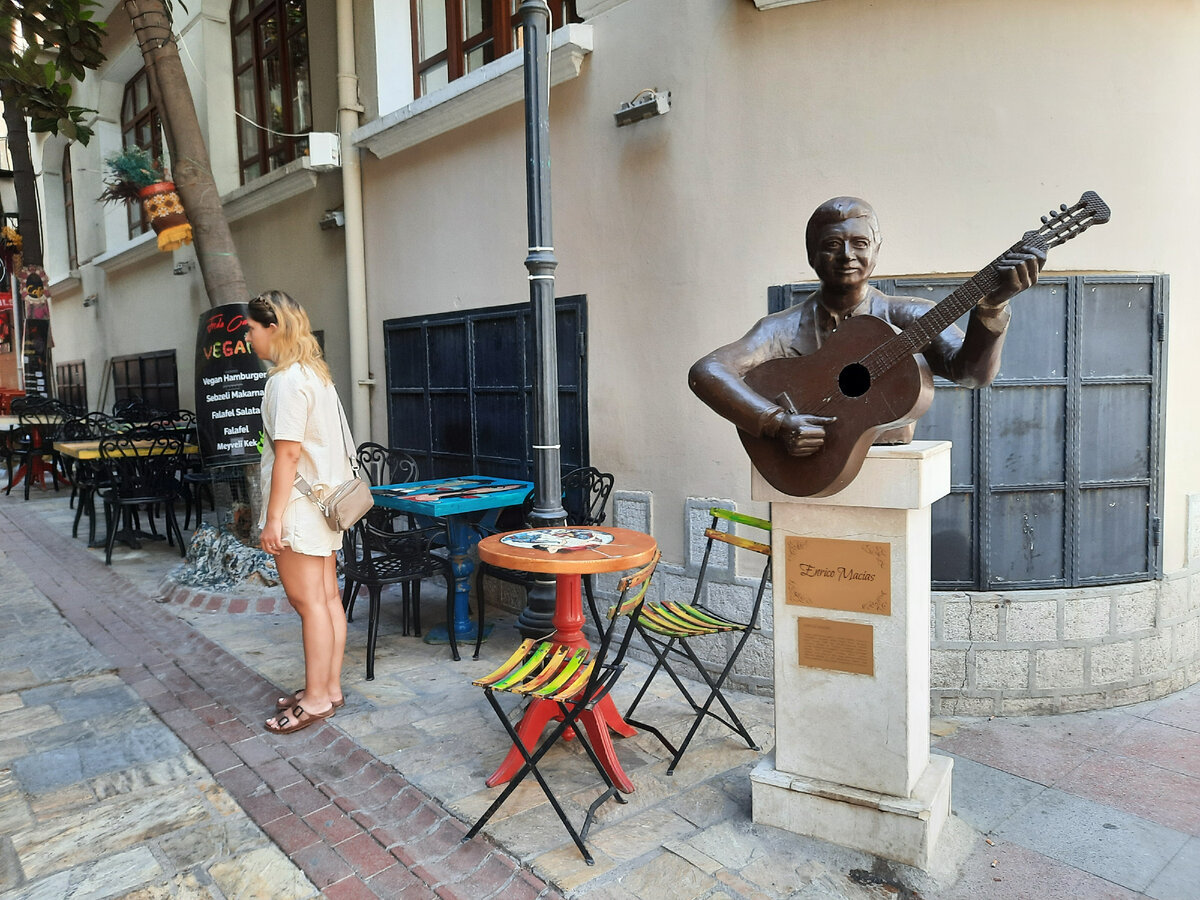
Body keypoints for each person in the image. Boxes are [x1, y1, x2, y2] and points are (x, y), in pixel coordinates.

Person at [688, 196, 1045, 457]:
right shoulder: (781, 328)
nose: (847, 255)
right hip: (806, 463)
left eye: (859, 243)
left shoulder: (911, 316)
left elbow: (970, 374)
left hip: (888, 456)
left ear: (876, 250)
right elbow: (707, 371)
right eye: (832, 245)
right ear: (811, 255)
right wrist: (777, 422)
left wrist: (991, 307)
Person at [246, 290, 354, 734]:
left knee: (309, 604)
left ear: (273, 329)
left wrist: (272, 521)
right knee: (326, 600)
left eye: (252, 329)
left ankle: (314, 700)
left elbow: (287, 456)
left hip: (298, 508)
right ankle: (327, 690)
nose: (249, 338)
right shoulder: (316, 375)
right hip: (326, 506)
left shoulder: (285, 381)